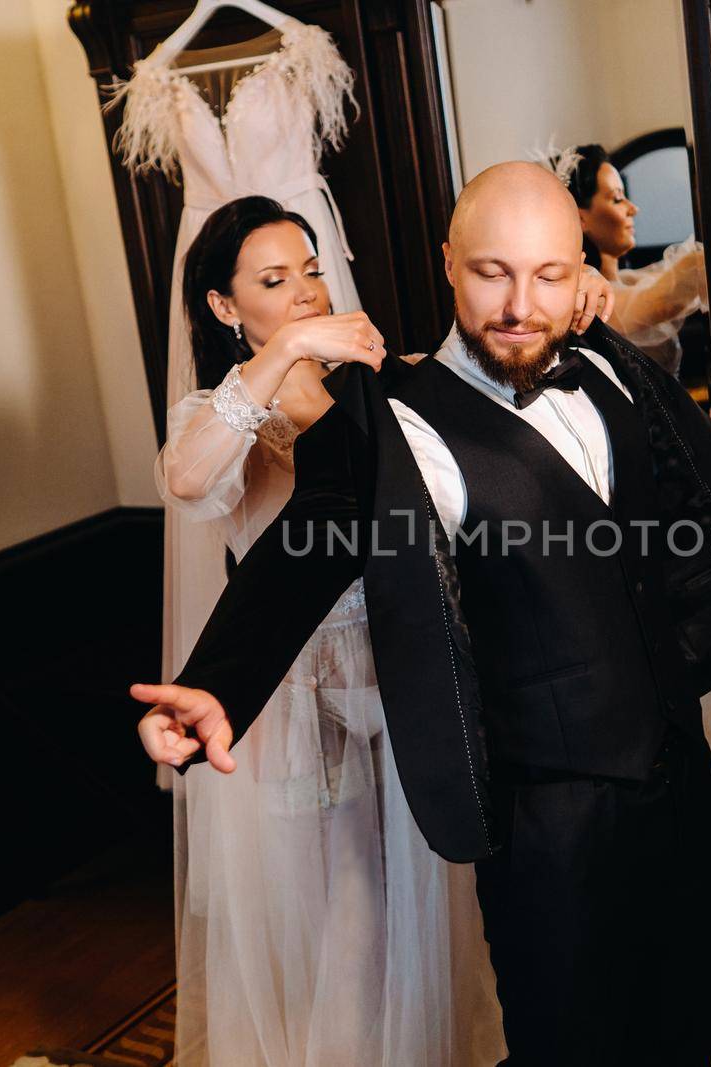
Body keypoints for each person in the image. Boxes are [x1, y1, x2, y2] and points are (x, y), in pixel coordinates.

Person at [133, 164, 711, 1066]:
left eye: (549, 274)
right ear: (446, 263)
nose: (519, 304)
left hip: (679, 786)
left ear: (580, 271)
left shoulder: (609, 369)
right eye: (491, 272)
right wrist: (215, 685)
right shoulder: (395, 418)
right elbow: (313, 534)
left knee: (682, 1033)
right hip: (548, 825)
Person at [146, 194, 608, 1065]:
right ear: (223, 305)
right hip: (303, 699)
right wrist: (284, 351)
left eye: (312, 271)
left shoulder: (377, 380)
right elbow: (186, 478)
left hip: (406, 678)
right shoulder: (220, 410)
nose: (307, 293)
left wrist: (571, 305)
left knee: (431, 909)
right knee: (346, 918)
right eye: (275, 281)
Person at [561, 142, 708, 377]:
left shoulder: (628, 280)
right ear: (581, 220)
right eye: (617, 199)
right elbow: (668, 296)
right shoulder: (594, 301)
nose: (633, 208)